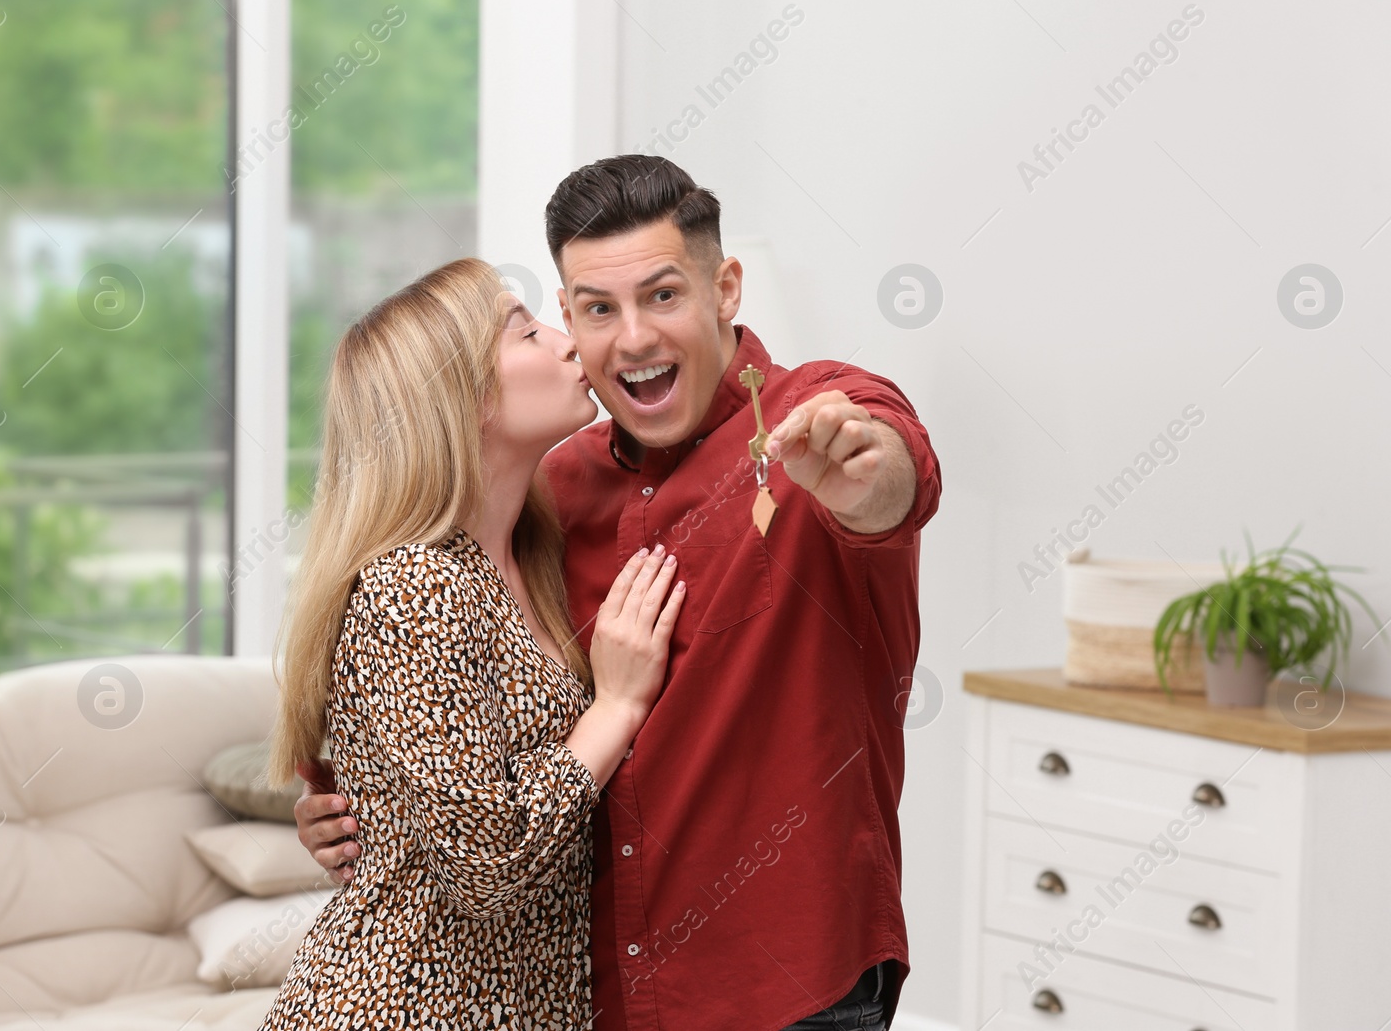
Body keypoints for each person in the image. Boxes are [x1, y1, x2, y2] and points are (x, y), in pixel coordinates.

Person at [296, 156, 942, 1030]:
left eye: (664, 295)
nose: (631, 338)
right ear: (570, 318)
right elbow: (432, 732)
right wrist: (351, 813)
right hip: (593, 992)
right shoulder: (545, 497)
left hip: (780, 988)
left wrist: (865, 474)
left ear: (726, 289)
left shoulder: (811, 418)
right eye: (598, 310)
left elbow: (893, 476)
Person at [260, 257, 686, 1029]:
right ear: (465, 397)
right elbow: (486, 867)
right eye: (527, 331)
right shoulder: (415, 585)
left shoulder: (534, 560)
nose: (566, 344)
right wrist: (616, 705)